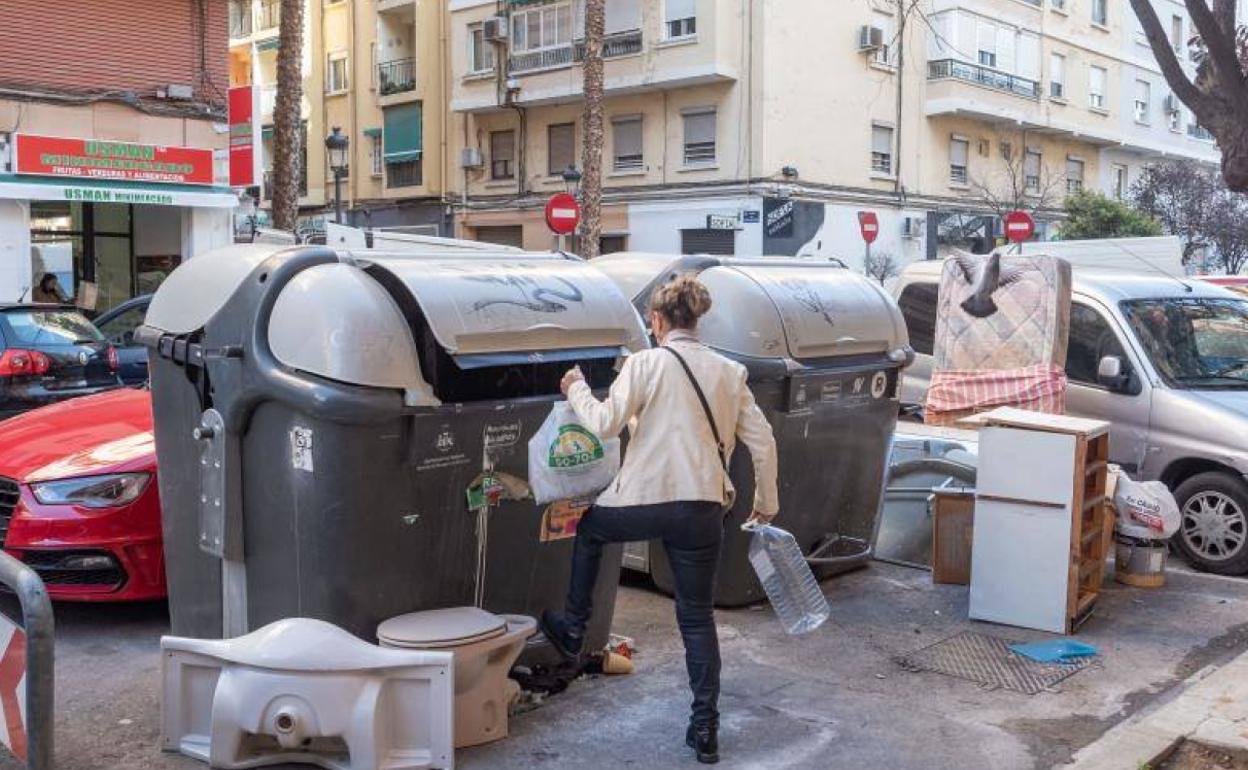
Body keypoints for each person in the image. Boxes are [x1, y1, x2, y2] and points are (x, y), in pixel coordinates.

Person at [540, 275, 779, 765]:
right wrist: (767, 502)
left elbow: (604, 422)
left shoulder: (644, 364)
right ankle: (706, 726)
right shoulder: (729, 372)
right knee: (696, 618)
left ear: (656, 320)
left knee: (590, 530)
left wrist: (577, 386)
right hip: (703, 509)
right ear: (697, 319)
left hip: (643, 503)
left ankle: (572, 628)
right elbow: (765, 441)